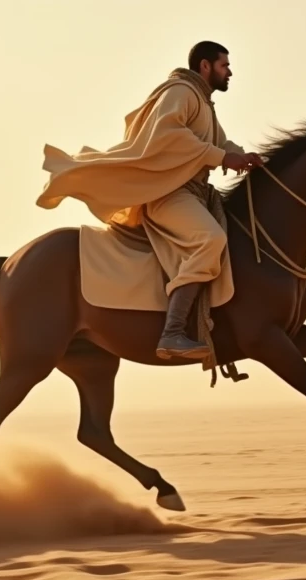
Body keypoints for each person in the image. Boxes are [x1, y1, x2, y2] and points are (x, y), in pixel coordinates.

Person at [36, 41, 263, 360]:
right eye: (225, 65)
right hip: (170, 193)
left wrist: (244, 157)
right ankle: (172, 333)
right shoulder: (181, 93)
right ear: (205, 66)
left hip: (194, 193)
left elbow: (220, 142)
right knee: (210, 240)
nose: (230, 72)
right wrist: (222, 158)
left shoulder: (202, 102)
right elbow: (169, 137)